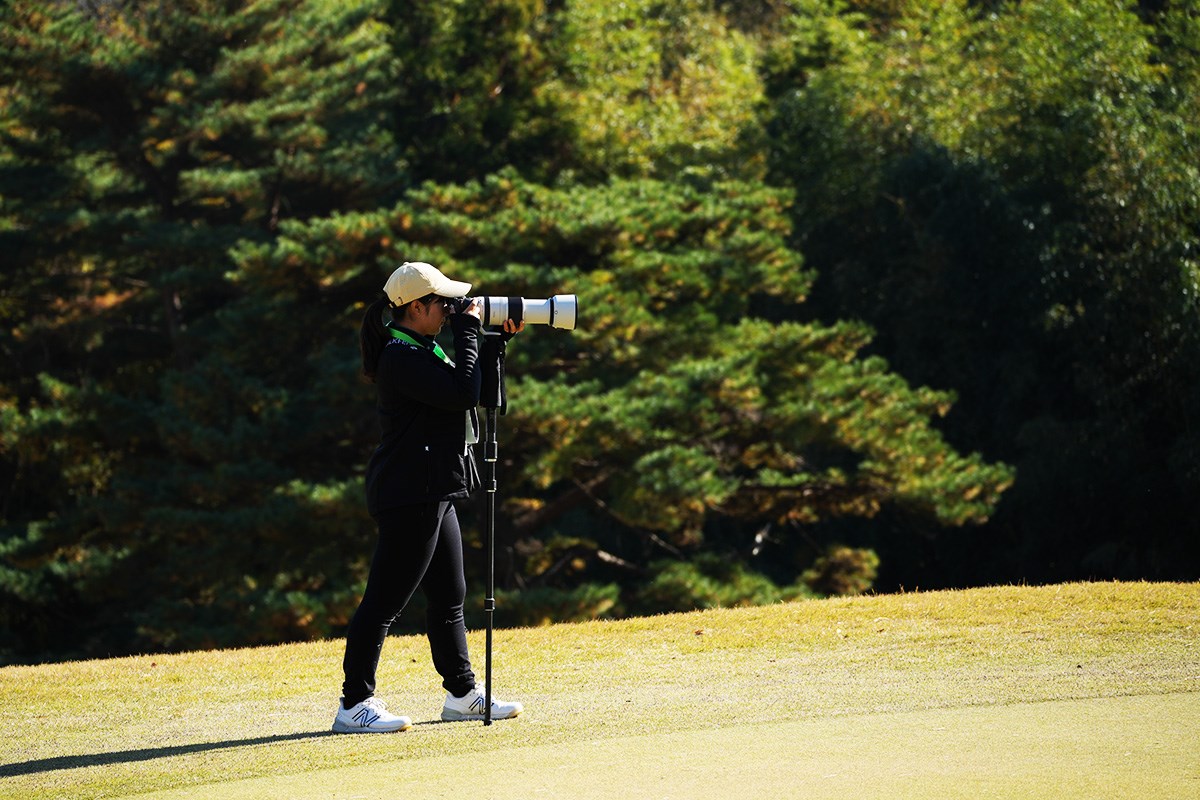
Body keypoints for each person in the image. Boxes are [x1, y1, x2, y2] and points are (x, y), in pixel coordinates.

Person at [333, 261, 524, 733]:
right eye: (442, 303)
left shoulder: (422, 347)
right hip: (409, 490)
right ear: (415, 307)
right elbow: (460, 393)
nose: (449, 310)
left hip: (432, 486)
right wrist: (469, 331)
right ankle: (354, 703)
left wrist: (494, 344)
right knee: (384, 601)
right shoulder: (401, 357)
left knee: (449, 595)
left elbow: (471, 388)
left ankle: (461, 694)